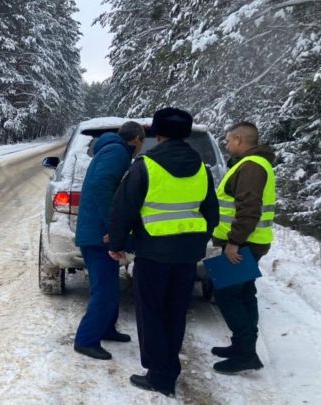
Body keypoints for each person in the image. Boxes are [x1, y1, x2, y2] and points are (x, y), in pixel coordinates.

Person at [107, 107, 219, 396]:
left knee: (152, 313)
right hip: (187, 257)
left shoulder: (146, 166)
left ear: (159, 134)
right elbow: (212, 215)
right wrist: (196, 241)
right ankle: (169, 369)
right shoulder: (203, 170)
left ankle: (159, 375)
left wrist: (117, 245)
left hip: (153, 254)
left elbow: (124, 209)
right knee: (175, 312)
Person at [73, 121, 145, 360]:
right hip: (97, 234)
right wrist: (113, 227)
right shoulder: (117, 152)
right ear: (136, 139)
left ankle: (106, 328)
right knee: (103, 290)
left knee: (109, 286)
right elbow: (101, 185)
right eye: (142, 142)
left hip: (96, 231)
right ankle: (86, 339)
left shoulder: (112, 150)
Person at [210, 121, 275, 374]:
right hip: (250, 241)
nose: (226, 145)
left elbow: (249, 209)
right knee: (245, 293)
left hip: (243, 243)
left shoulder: (250, 167)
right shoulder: (254, 164)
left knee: (228, 295)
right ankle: (242, 347)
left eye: (228, 140)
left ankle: (245, 353)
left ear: (239, 139)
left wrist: (234, 242)